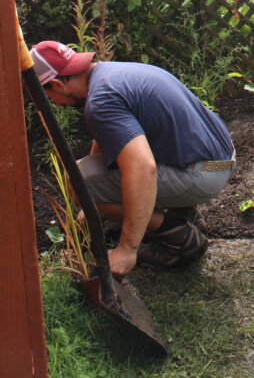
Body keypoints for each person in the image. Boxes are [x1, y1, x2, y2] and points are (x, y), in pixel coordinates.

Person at [30, 40, 235, 276]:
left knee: (77, 183)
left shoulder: (100, 102)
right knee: (87, 181)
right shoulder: (109, 74)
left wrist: (127, 249)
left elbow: (142, 169)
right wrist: (92, 203)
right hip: (219, 155)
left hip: (204, 174)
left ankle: (180, 236)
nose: (53, 103)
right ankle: (182, 209)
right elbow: (108, 141)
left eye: (48, 96)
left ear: (56, 84)